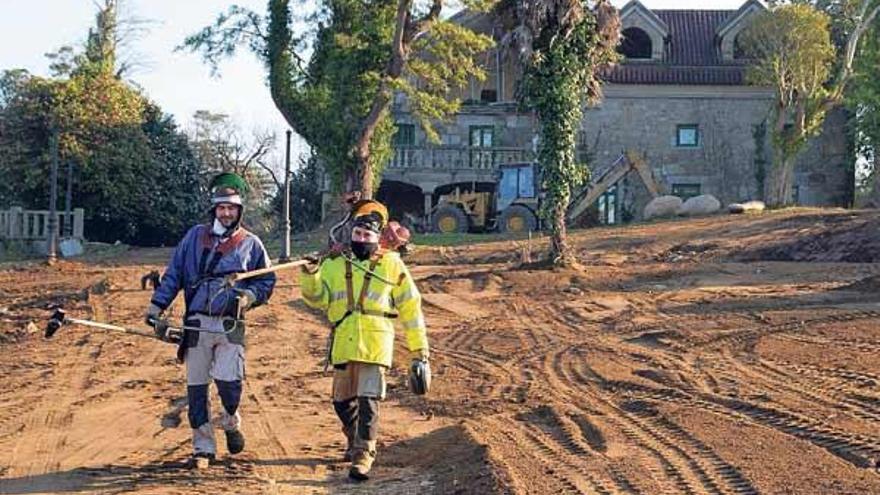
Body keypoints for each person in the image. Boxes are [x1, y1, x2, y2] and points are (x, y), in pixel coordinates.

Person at [145, 172, 276, 468]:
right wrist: (156, 307)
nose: (226, 213)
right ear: (214, 209)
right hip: (196, 323)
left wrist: (249, 297)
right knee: (197, 389)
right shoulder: (194, 237)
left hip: (230, 325)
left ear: (239, 210)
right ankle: (203, 448)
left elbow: (266, 282)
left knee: (230, 386)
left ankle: (231, 420)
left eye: (231, 208)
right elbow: (175, 273)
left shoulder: (252, 244)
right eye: (221, 208)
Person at [299, 199, 430, 481]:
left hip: (376, 343)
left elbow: (411, 308)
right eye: (357, 235)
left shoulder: (392, 265)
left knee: (370, 400)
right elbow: (316, 299)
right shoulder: (334, 264)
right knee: (341, 402)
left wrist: (420, 350)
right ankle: (354, 437)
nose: (361, 239)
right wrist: (310, 274)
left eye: (367, 236)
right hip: (343, 340)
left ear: (378, 238)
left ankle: (363, 454)